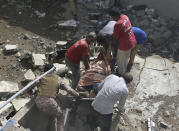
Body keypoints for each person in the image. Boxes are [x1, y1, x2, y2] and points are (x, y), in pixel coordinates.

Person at [35, 64, 79, 131]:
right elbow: (69, 89)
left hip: (38, 102)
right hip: (49, 102)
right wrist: (77, 95)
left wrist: (29, 91)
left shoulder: (40, 77)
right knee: (60, 116)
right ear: (53, 70)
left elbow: (31, 84)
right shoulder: (57, 78)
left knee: (52, 113)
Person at [110, 10, 136, 76]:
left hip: (124, 45)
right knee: (126, 57)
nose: (112, 19)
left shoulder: (118, 24)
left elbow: (116, 38)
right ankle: (125, 68)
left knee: (120, 60)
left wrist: (112, 45)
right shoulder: (125, 16)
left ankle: (121, 74)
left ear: (114, 16)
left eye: (112, 17)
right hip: (132, 41)